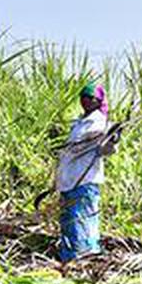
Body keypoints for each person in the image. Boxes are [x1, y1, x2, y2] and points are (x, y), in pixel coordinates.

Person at [55, 83, 117, 262]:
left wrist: (111, 141)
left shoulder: (101, 123)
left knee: (83, 217)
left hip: (85, 179)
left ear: (98, 102)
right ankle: (69, 255)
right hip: (70, 179)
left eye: (91, 98)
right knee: (69, 218)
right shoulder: (79, 122)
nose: (86, 101)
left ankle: (84, 255)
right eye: (83, 97)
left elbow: (107, 150)